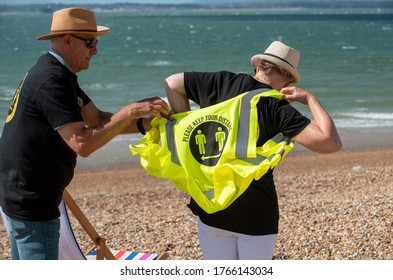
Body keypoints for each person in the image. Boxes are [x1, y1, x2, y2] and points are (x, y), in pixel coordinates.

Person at [0, 7, 170, 260]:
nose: (95, 50)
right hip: (31, 199)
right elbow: (82, 143)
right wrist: (129, 111)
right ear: (68, 40)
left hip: (19, 190)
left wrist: (145, 122)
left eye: (96, 42)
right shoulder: (51, 80)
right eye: (90, 42)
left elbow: (98, 119)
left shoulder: (57, 72)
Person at [163, 41, 342, 260]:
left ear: (257, 67)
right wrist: (310, 99)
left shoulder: (220, 81)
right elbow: (330, 143)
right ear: (288, 80)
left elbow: (172, 82)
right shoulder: (277, 107)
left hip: (211, 205)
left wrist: (186, 122)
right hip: (256, 214)